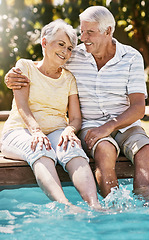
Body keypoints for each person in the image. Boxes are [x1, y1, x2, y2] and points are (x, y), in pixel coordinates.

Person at [4, 6, 149, 199]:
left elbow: (138, 107)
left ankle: (146, 205)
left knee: (145, 150)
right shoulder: (74, 55)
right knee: (104, 150)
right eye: (82, 31)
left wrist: (108, 126)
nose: (83, 38)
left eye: (89, 32)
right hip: (92, 125)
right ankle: (114, 207)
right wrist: (12, 78)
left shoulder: (132, 57)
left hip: (126, 124)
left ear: (108, 31)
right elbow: (46, 63)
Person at [1, 19, 101, 211]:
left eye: (70, 48)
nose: (66, 51)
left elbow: (75, 118)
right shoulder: (25, 67)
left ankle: (95, 205)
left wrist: (70, 131)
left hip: (56, 130)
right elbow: (22, 107)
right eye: (61, 44)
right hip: (20, 130)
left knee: (73, 149)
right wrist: (37, 131)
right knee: (40, 149)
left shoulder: (69, 78)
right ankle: (65, 205)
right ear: (45, 43)